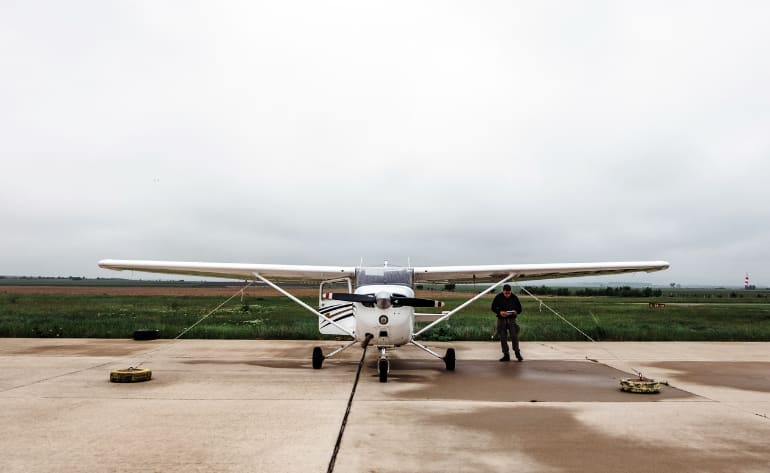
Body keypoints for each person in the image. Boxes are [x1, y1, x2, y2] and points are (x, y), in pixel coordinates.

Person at [491, 284, 523, 361]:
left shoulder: (514, 297)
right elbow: (493, 307)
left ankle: (517, 353)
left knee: (514, 336)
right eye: (506, 293)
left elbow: (519, 309)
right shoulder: (498, 297)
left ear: (511, 291)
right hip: (501, 319)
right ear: (503, 291)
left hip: (512, 319)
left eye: (509, 293)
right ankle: (506, 355)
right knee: (503, 337)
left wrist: (516, 311)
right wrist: (500, 312)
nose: (507, 295)